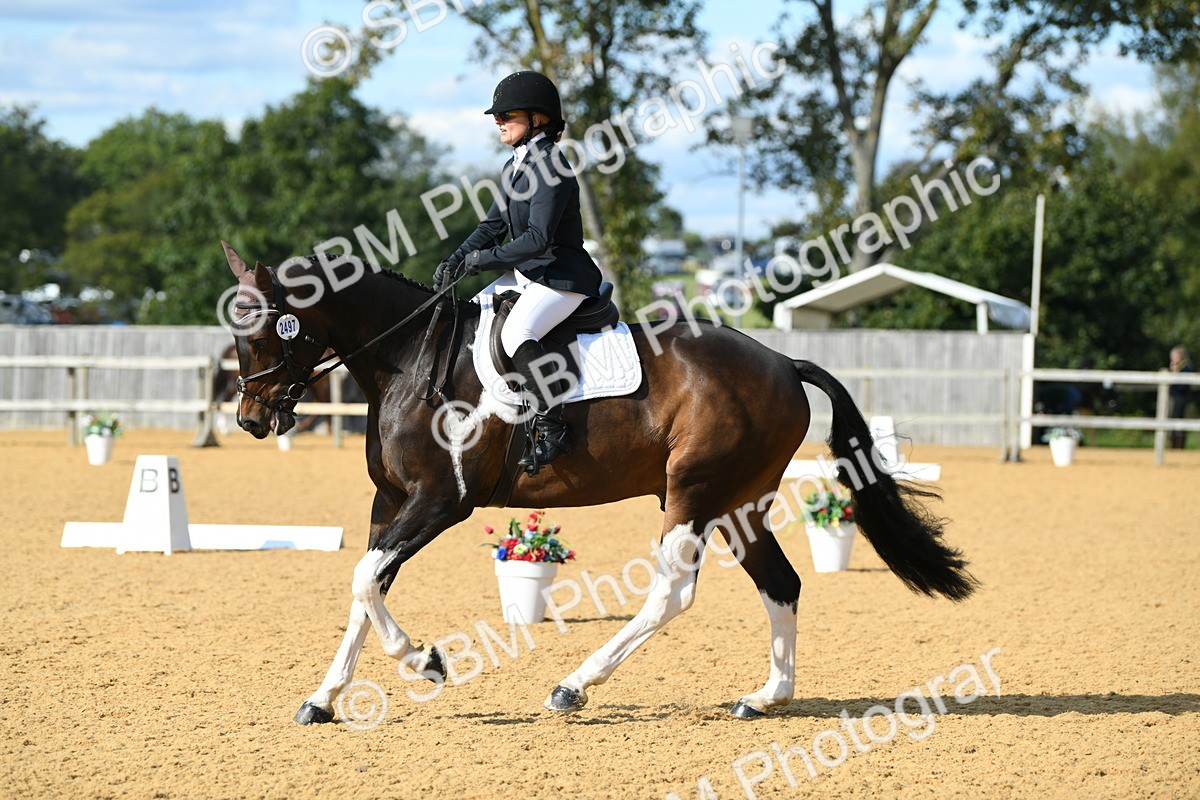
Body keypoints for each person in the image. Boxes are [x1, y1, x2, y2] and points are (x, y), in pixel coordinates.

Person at [434, 71, 603, 471]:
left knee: (516, 331)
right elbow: (491, 226)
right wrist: (457, 258)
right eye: (498, 114)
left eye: (507, 114)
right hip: (531, 272)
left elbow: (537, 238)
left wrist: (482, 261)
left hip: (563, 276)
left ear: (538, 119)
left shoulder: (552, 167)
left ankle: (552, 427)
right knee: (472, 314)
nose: (498, 120)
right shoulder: (515, 167)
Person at [1168, 345, 1193, 449]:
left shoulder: (1185, 368)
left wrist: (1174, 372)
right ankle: (1174, 444)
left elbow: (1181, 386)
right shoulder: (1179, 367)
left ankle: (1178, 446)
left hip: (1180, 398)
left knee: (1178, 418)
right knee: (1173, 419)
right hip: (1175, 397)